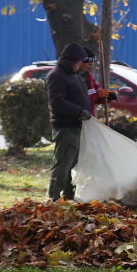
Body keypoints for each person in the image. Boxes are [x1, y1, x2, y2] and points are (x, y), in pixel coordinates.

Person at [46, 42, 100, 200]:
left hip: (77, 125)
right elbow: (57, 102)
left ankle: (69, 195)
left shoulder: (74, 74)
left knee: (73, 164)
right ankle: (53, 198)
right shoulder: (56, 76)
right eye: (78, 62)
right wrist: (79, 112)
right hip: (65, 126)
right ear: (70, 61)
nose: (80, 65)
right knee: (63, 164)